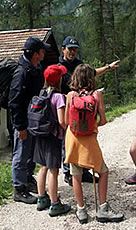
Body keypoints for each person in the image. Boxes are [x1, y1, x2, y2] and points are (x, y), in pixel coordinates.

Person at [64, 63, 124, 224]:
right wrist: (92, 124)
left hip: (73, 138)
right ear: (91, 78)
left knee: (76, 175)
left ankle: (81, 210)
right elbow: (103, 120)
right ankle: (103, 208)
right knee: (103, 171)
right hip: (89, 138)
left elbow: (65, 121)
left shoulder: (70, 95)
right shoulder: (96, 95)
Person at [59, 35, 120, 186]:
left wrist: (108, 67)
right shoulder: (59, 65)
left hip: (82, 109)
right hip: (66, 105)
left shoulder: (80, 64)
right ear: (63, 49)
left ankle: (84, 170)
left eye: (75, 49)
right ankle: (69, 172)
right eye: (70, 49)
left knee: (84, 139)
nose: (72, 52)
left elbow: (93, 72)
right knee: (69, 141)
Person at [8, 36, 50, 204]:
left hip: (32, 120)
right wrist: (20, 127)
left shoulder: (34, 68)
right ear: (35, 54)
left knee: (30, 152)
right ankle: (19, 189)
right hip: (23, 122)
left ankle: (27, 179)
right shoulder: (21, 73)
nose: (44, 52)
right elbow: (14, 103)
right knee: (20, 154)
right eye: (42, 50)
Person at [33, 64, 71, 217]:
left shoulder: (41, 93)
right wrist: (69, 128)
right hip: (53, 137)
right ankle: (55, 204)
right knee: (53, 170)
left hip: (40, 135)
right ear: (59, 80)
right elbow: (62, 121)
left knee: (42, 167)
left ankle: (42, 198)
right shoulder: (58, 97)